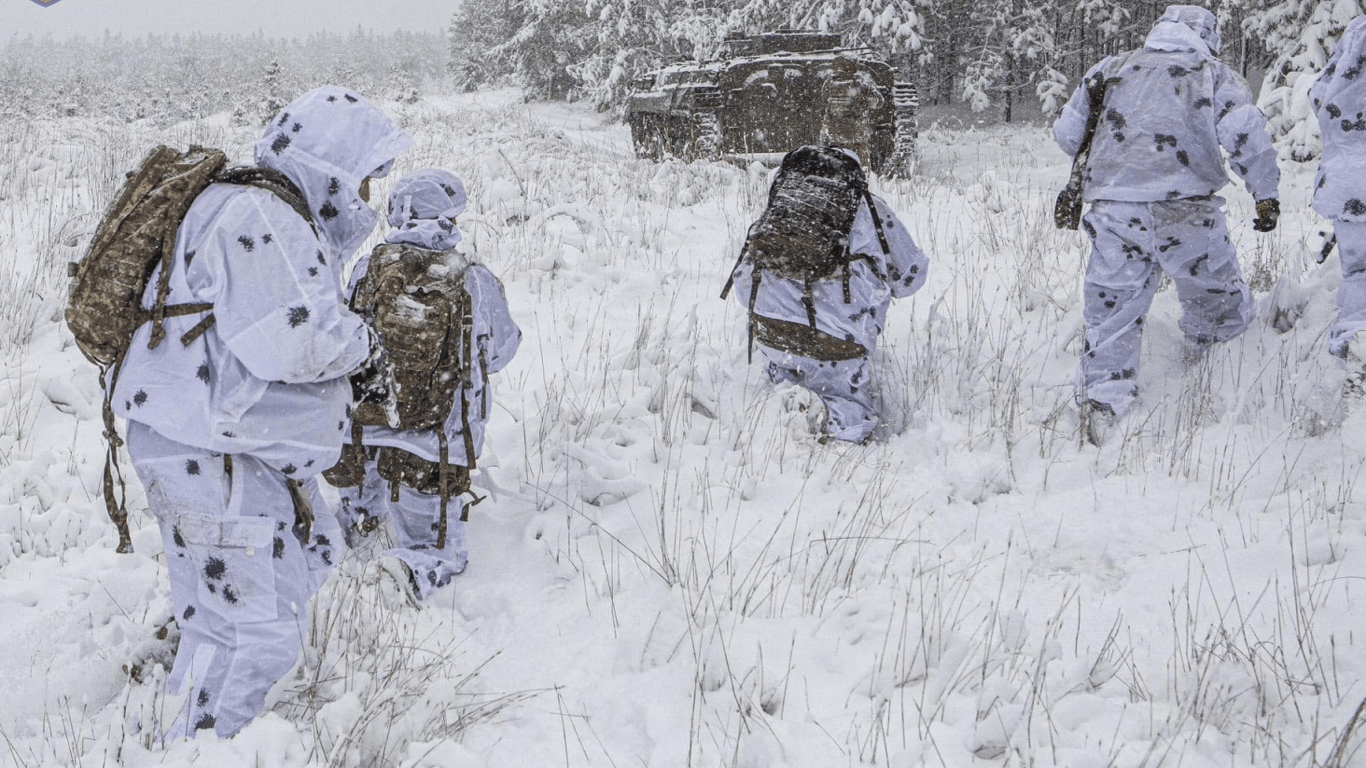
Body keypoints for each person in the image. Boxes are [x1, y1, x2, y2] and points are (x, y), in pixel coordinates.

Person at [110, 86, 412, 739]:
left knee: (303, 563)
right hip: (215, 459)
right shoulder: (261, 216)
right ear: (328, 162)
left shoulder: (241, 204)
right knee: (257, 636)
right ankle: (198, 748)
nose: (366, 199)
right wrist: (367, 349)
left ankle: (179, 720)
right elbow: (299, 341)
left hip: (213, 450)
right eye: (362, 178)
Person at [1052, 5, 1280, 442]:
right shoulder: (1212, 73)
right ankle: (1211, 377)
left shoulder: (1110, 68)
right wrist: (1265, 195)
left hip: (1115, 212)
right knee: (1217, 302)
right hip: (1187, 212)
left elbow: (1067, 135)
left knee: (1111, 312)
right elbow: (1247, 136)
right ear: (1207, 36)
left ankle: (1102, 404)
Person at [331, 170, 521, 601]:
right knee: (439, 552)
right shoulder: (473, 278)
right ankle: (397, 582)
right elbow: (503, 349)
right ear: (449, 218)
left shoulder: (368, 268)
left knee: (358, 522)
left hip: (359, 433)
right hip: (433, 443)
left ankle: (340, 568)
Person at [728, 147, 929, 443]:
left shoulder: (785, 203)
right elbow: (911, 279)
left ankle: (781, 418)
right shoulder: (870, 208)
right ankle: (838, 431)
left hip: (771, 329)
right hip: (837, 343)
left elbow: (744, 279)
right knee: (844, 399)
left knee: (783, 379)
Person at [1311, 16, 1366, 368]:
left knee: (1360, 271)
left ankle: (1353, 345)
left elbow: (1319, 93)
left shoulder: (1358, 31)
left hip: (1349, 177)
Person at [820, 54, 885, 165]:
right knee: (860, 163)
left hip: (833, 134)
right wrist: (864, 100)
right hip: (856, 134)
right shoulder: (862, 85)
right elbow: (879, 102)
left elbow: (824, 99)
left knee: (832, 163)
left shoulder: (828, 83)